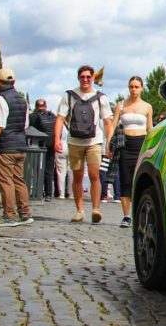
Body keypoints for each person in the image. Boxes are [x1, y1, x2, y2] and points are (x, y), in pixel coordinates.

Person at [55, 65, 113, 224]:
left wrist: (109, 142)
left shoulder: (100, 97)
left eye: (88, 77)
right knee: (77, 176)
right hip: (74, 141)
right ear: (78, 78)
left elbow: (107, 122)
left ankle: (96, 209)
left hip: (94, 141)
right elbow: (60, 118)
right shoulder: (69, 96)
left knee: (94, 174)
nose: (85, 80)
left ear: (93, 78)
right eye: (82, 77)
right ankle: (79, 210)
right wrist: (57, 139)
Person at [0, 68, 33, 226]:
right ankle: (25, 213)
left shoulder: (0, 99)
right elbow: (25, 125)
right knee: (18, 180)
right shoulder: (22, 100)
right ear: (13, 81)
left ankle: (9, 215)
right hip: (20, 145)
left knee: (5, 181)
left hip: (5, 147)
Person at [107, 76, 154, 228]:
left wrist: (152, 146)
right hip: (125, 145)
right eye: (131, 87)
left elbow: (150, 128)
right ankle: (126, 216)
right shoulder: (121, 105)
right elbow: (113, 125)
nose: (133, 89)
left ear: (141, 88)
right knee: (125, 180)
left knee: (140, 179)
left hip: (141, 144)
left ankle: (141, 213)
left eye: (136, 87)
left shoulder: (147, 106)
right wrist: (108, 143)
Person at [29, 98, 58, 202]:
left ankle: (37, 191)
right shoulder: (52, 116)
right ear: (45, 106)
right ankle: (48, 194)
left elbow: (29, 130)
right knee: (49, 169)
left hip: (38, 145)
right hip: (51, 144)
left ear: (36, 106)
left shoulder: (33, 117)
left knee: (37, 169)